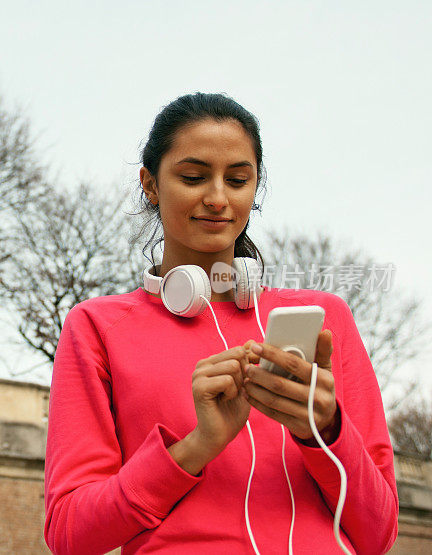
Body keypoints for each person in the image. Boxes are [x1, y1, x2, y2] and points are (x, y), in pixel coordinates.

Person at [43, 92, 398, 554]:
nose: (217, 199)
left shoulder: (324, 319)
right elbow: (70, 534)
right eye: (193, 177)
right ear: (149, 184)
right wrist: (197, 448)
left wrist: (325, 432)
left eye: (237, 180)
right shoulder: (96, 327)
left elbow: (381, 534)